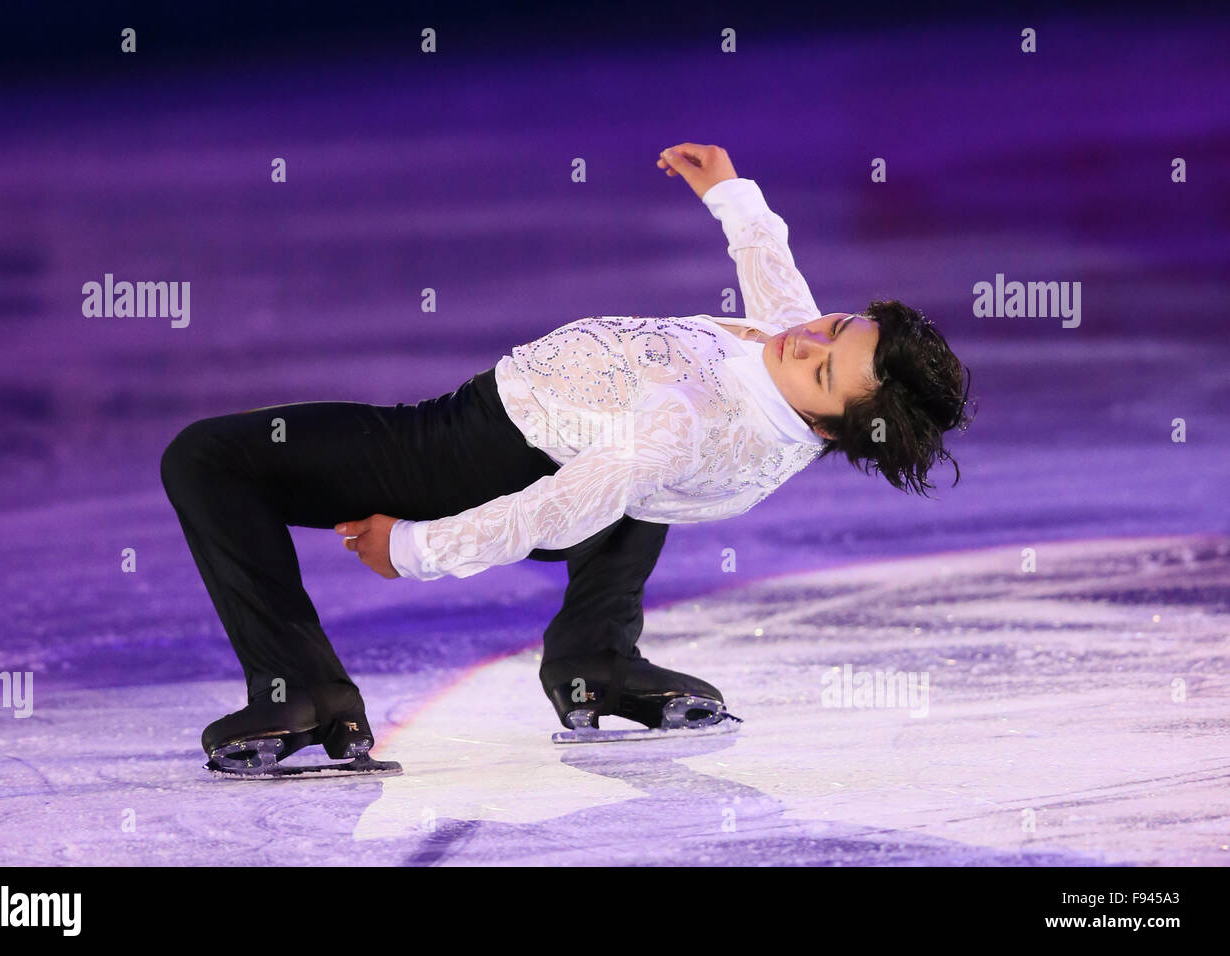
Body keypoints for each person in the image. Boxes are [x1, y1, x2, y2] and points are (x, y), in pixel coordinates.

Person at [160, 142, 972, 774]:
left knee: (209, 458)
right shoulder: (791, 386)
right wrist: (732, 196)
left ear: (832, 428)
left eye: (825, 363)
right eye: (838, 326)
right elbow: (781, 293)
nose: (808, 338)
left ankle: (299, 691)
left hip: (472, 450)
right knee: (643, 487)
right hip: (588, 465)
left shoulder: (689, 420)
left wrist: (414, 548)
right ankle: (596, 658)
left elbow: (559, 507)